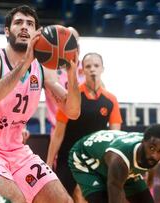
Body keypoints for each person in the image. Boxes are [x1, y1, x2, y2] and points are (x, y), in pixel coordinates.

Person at [0, 5, 80, 203]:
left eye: (30, 24)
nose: (25, 27)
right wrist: (24, 64)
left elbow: (73, 112)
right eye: (18, 23)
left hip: (18, 151)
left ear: (37, 33)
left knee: (63, 200)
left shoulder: (43, 68)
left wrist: (72, 75)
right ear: (7, 31)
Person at [46, 52, 122, 202]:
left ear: (102, 69)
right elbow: (58, 133)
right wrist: (48, 163)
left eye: (96, 65)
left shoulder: (111, 100)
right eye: (88, 66)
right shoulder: (72, 97)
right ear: (83, 70)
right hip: (68, 158)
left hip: (95, 159)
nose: (92, 69)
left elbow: (115, 138)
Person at [68, 124, 160, 203]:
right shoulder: (120, 160)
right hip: (85, 157)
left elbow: (153, 163)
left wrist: (150, 180)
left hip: (112, 160)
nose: (155, 155)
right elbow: (116, 195)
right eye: (152, 148)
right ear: (143, 142)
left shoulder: (157, 149)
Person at [44, 26, 84, 137]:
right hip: (57, 128)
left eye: (72, 40)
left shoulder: (87, 68)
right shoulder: (50, 68)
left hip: (82, 128)